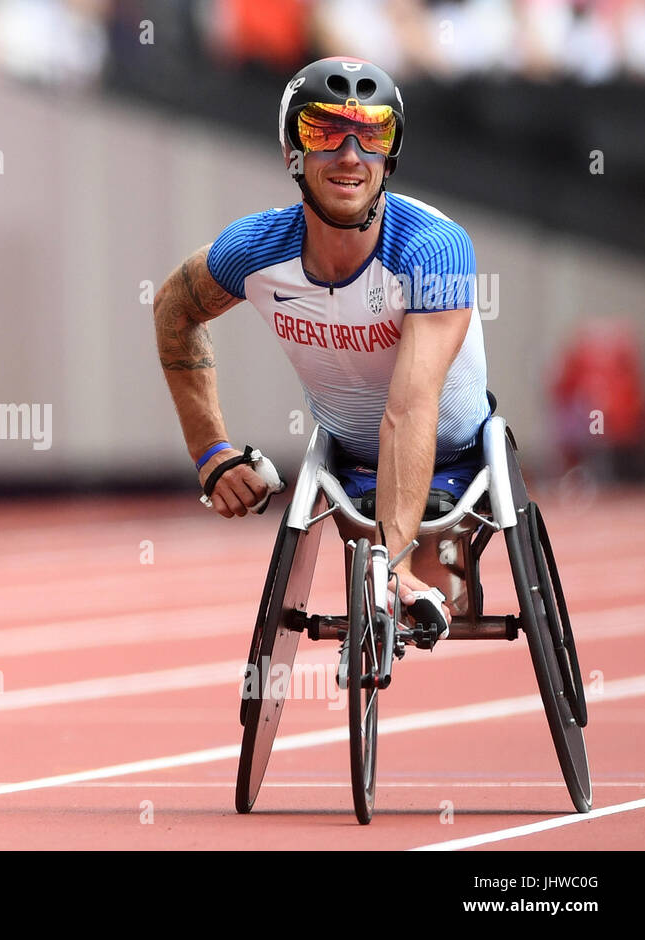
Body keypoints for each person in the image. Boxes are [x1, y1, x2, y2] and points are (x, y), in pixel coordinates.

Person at [152, 57, 492, 643]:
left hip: (455, 451)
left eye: (372, 134)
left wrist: (394, 560)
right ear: (293, 150)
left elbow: (408, 409)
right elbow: (173, 310)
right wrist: (211, 453)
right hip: (348, 461)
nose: (350, 155)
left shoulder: (434, 250)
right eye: (326, 132)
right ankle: (402, 573)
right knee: (406, 590)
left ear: (392, 153)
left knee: (444, 598)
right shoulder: (252, 251)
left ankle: (416, 567)